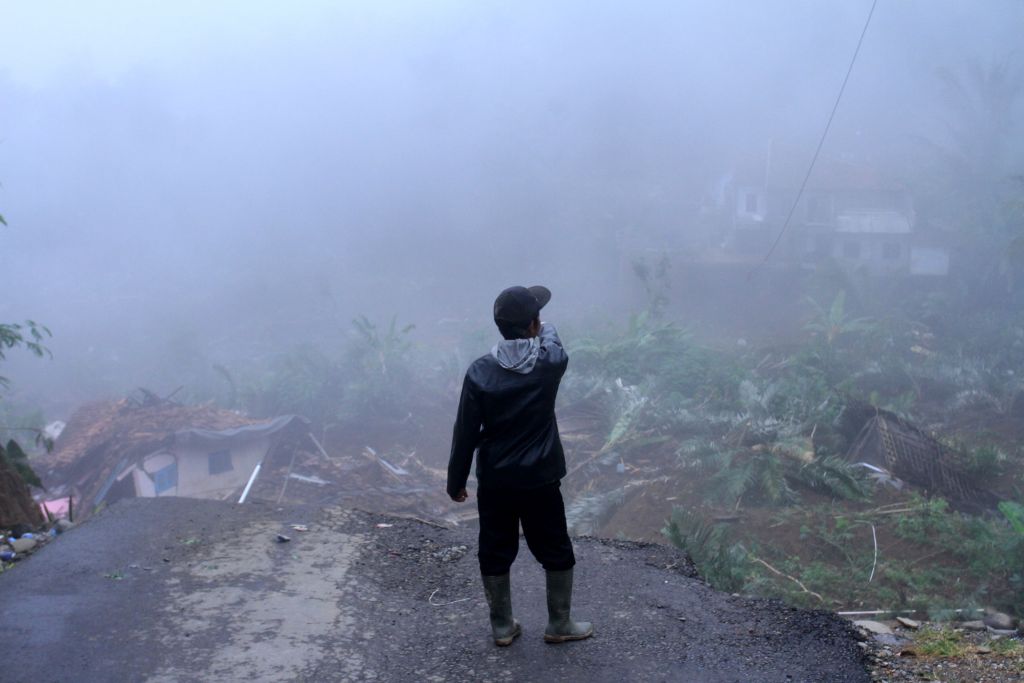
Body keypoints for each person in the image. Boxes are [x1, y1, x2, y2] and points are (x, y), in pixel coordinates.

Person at [447, 285, 593, 647]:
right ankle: (559, 624)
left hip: (496, 480)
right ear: (533, 324)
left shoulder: (479, 371)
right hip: (540, 478)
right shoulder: (549, 364)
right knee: (555, 547)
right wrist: (540, 325)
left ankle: (502, 627)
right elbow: (553, 340)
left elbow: (465, 430)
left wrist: (456, 480)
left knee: (495, 549)